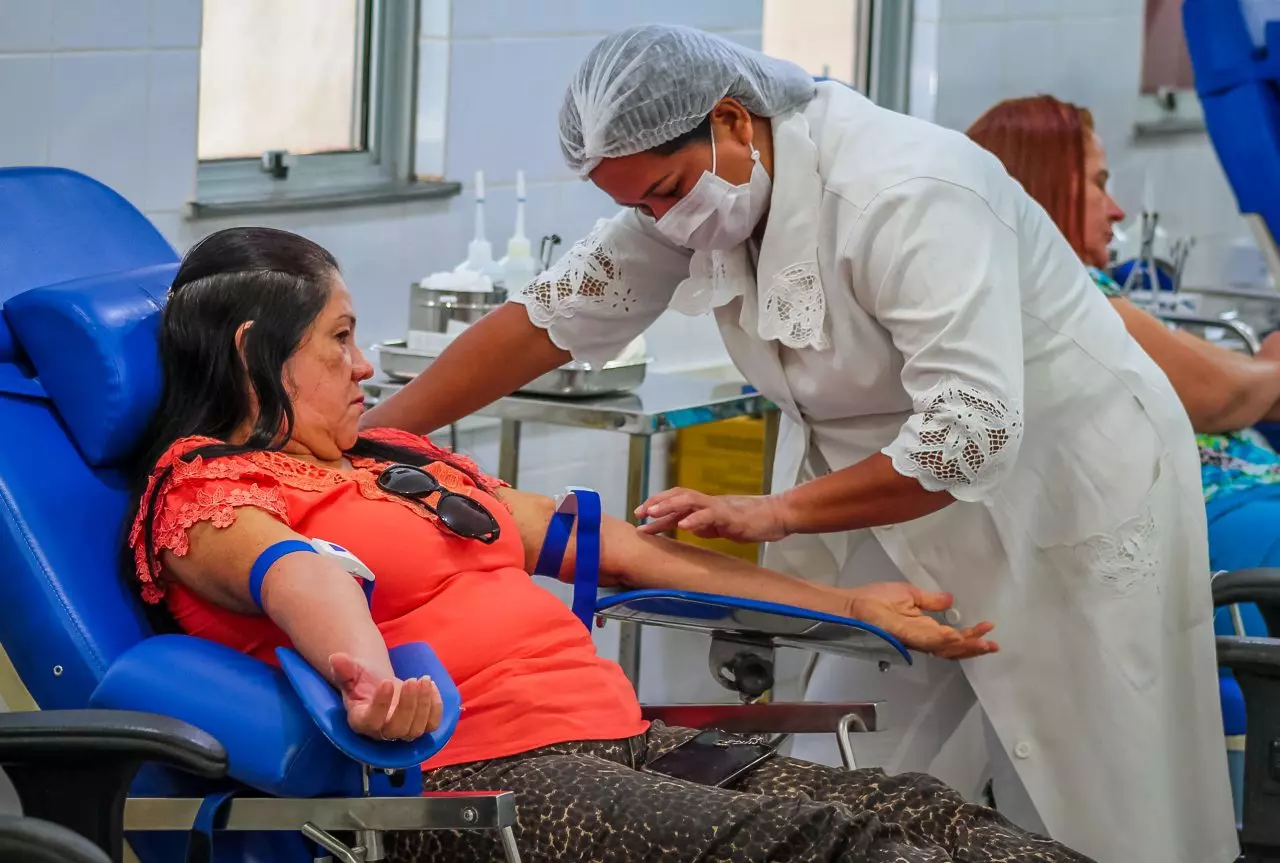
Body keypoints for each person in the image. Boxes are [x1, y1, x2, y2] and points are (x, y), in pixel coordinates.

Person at [359, 24, 1237, 863]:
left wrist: (776, 511)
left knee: (1109, 789)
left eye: (663, 193)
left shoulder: (906, 189)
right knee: (880, 783)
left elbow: (970, 430)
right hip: (897, 515)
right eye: (636, 207)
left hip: (1060, 489)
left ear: (735, 121)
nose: (659, 222)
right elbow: (540, 323)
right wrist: (373, 433)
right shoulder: (690, 195)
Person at [124, 225, 1111, 863]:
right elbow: (301, 572)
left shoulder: (388, 457)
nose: (365, 363)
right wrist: (370, 680)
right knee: (838, 849)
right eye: (339, 338)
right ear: (258, 348)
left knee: (933, 818)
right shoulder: (209, 488)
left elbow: (620, 553)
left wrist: (853, 607)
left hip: (620, 739)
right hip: (481, 782)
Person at [966, 95, 1280, 630]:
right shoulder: (1065, 292)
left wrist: (1256, 373)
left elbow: (1218, 377)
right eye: (1099, 183)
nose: (1116, 210)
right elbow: (1215, 395)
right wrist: (1269, 369)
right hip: (1226, 523)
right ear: (1039, 187)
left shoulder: (1065, 290)